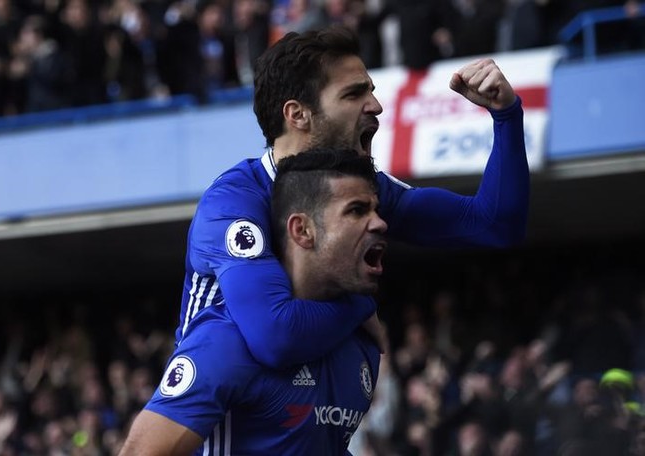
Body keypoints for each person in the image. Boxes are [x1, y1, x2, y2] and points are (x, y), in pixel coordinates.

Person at [168, 24, 528, 377]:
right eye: (354, 94)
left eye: (370, 91)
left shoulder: (369, 192)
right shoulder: (234, 204)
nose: (377, 106)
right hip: (218, 429)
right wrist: (359, 306)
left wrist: (506, 115)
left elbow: (494, 225)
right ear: (297, 115)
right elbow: (275, 336)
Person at [119, 148, 387, 455]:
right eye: (356, 210)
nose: (379, 223)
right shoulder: (227, 341)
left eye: (376, 210)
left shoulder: (362, 344)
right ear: (303, 230)